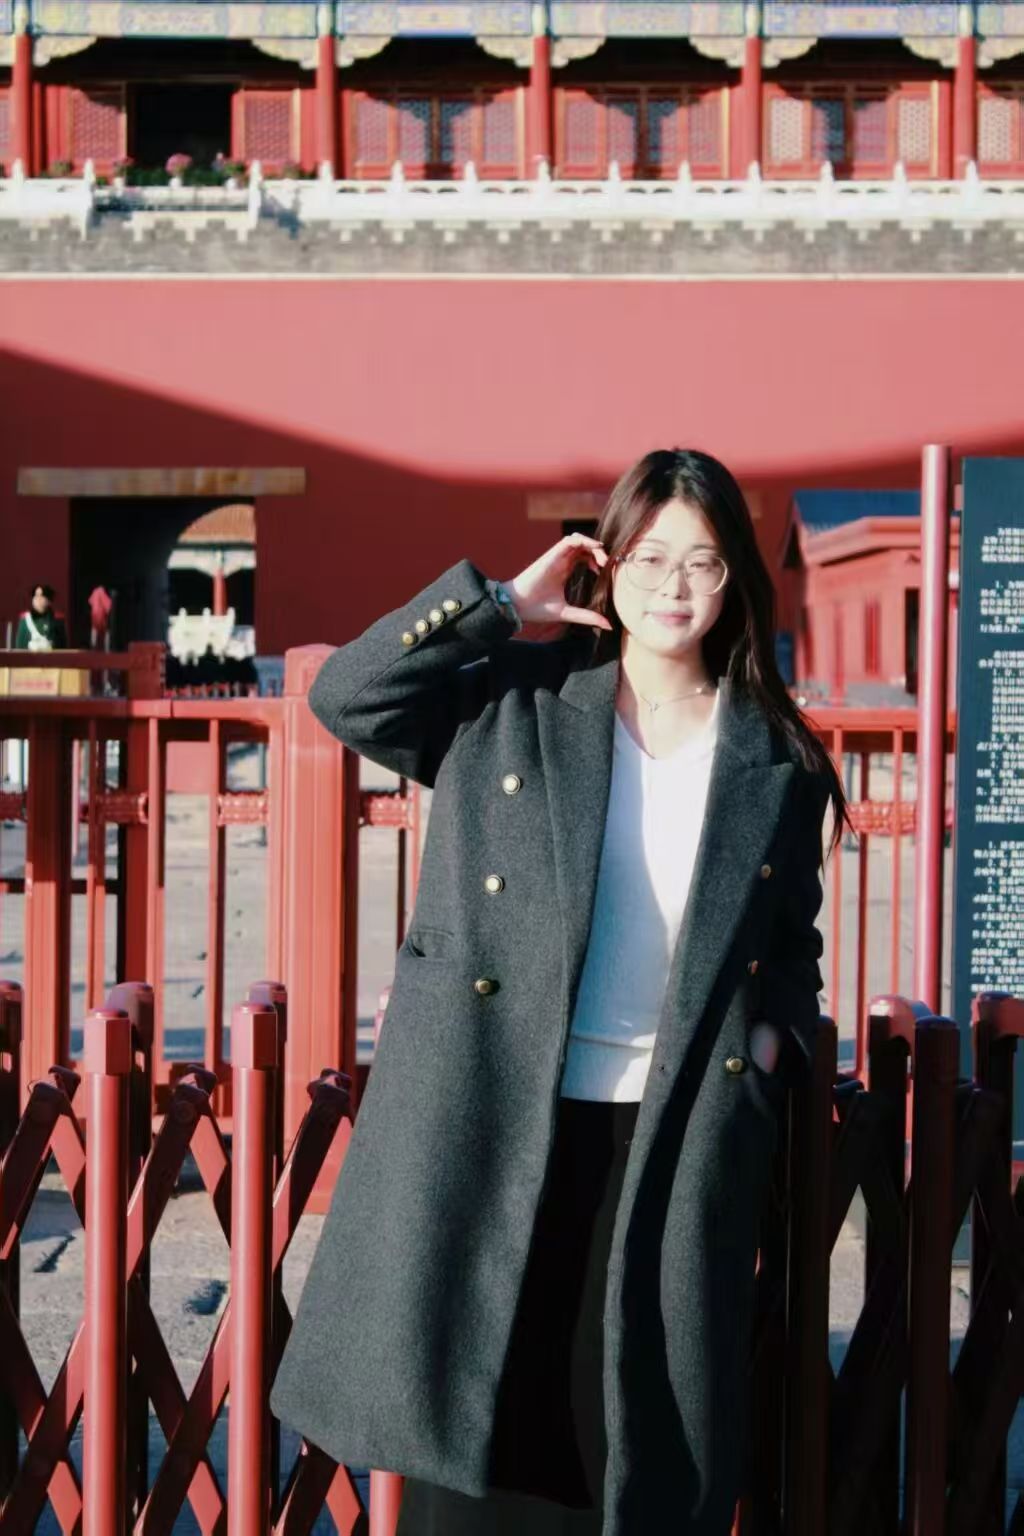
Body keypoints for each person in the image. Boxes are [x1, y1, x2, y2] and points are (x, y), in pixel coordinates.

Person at [270, 448, 848, 1536]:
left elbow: (790, 943)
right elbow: (347, 696)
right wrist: (498, 605)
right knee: (472, 1431)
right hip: (491, 1109)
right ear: (606, 564)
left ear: (735, 581)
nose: (674, 585)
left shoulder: (776, 758)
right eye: (650, 557)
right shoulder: (515, 703)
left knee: (615, 1443)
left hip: (669, 1131)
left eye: (704, 563)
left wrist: (772, 1046)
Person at [14, 584, 69, 651]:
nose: (38, 599)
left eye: (42, 595)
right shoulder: (25, 619)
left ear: (49, 600)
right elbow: (20, 645)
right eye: (36, 595)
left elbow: (63, 646)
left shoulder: (57, 619)